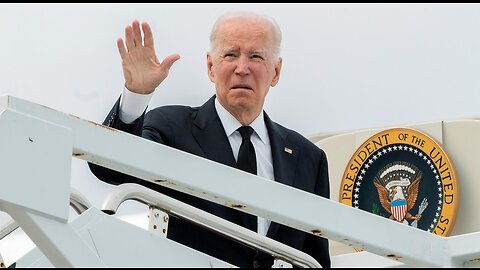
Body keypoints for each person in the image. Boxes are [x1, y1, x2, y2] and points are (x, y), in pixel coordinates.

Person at [89, 11, 330, 268]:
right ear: (210, 67)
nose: (242, 68)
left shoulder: (308, 158)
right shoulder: (172, 129)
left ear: (276, 71)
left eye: (256, 56)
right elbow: (108, 169)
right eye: (230, 55)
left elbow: (315, 259)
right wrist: (136, 95)